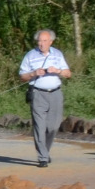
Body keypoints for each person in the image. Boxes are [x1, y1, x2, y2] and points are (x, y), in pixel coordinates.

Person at [18, 29, 71, 167]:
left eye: (44, 41)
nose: (41, 44)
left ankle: (45, 151)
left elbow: (68, 73)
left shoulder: (58, 54)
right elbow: (22, 76)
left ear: (51, 42)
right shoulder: (30, 55)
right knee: (39, 126)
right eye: (39, 41)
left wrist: (57, 70)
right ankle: (42, 157)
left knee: (53, 126)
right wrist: (33, 73)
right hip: (38, 93)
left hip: (55, 93)